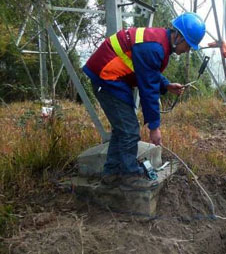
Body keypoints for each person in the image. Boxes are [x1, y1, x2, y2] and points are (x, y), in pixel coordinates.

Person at [82, 12, 206, 188]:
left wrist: (166, 85)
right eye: (188, 45)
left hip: (113, 79)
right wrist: (154, 127)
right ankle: (129, 175)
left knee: (122, 129)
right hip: (106, 77)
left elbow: (148, 71)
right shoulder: (155, 48)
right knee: (130, 130)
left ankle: (111, 173)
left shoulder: (160, 43)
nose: (187, 50)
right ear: (178, 36)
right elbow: (148, 90)